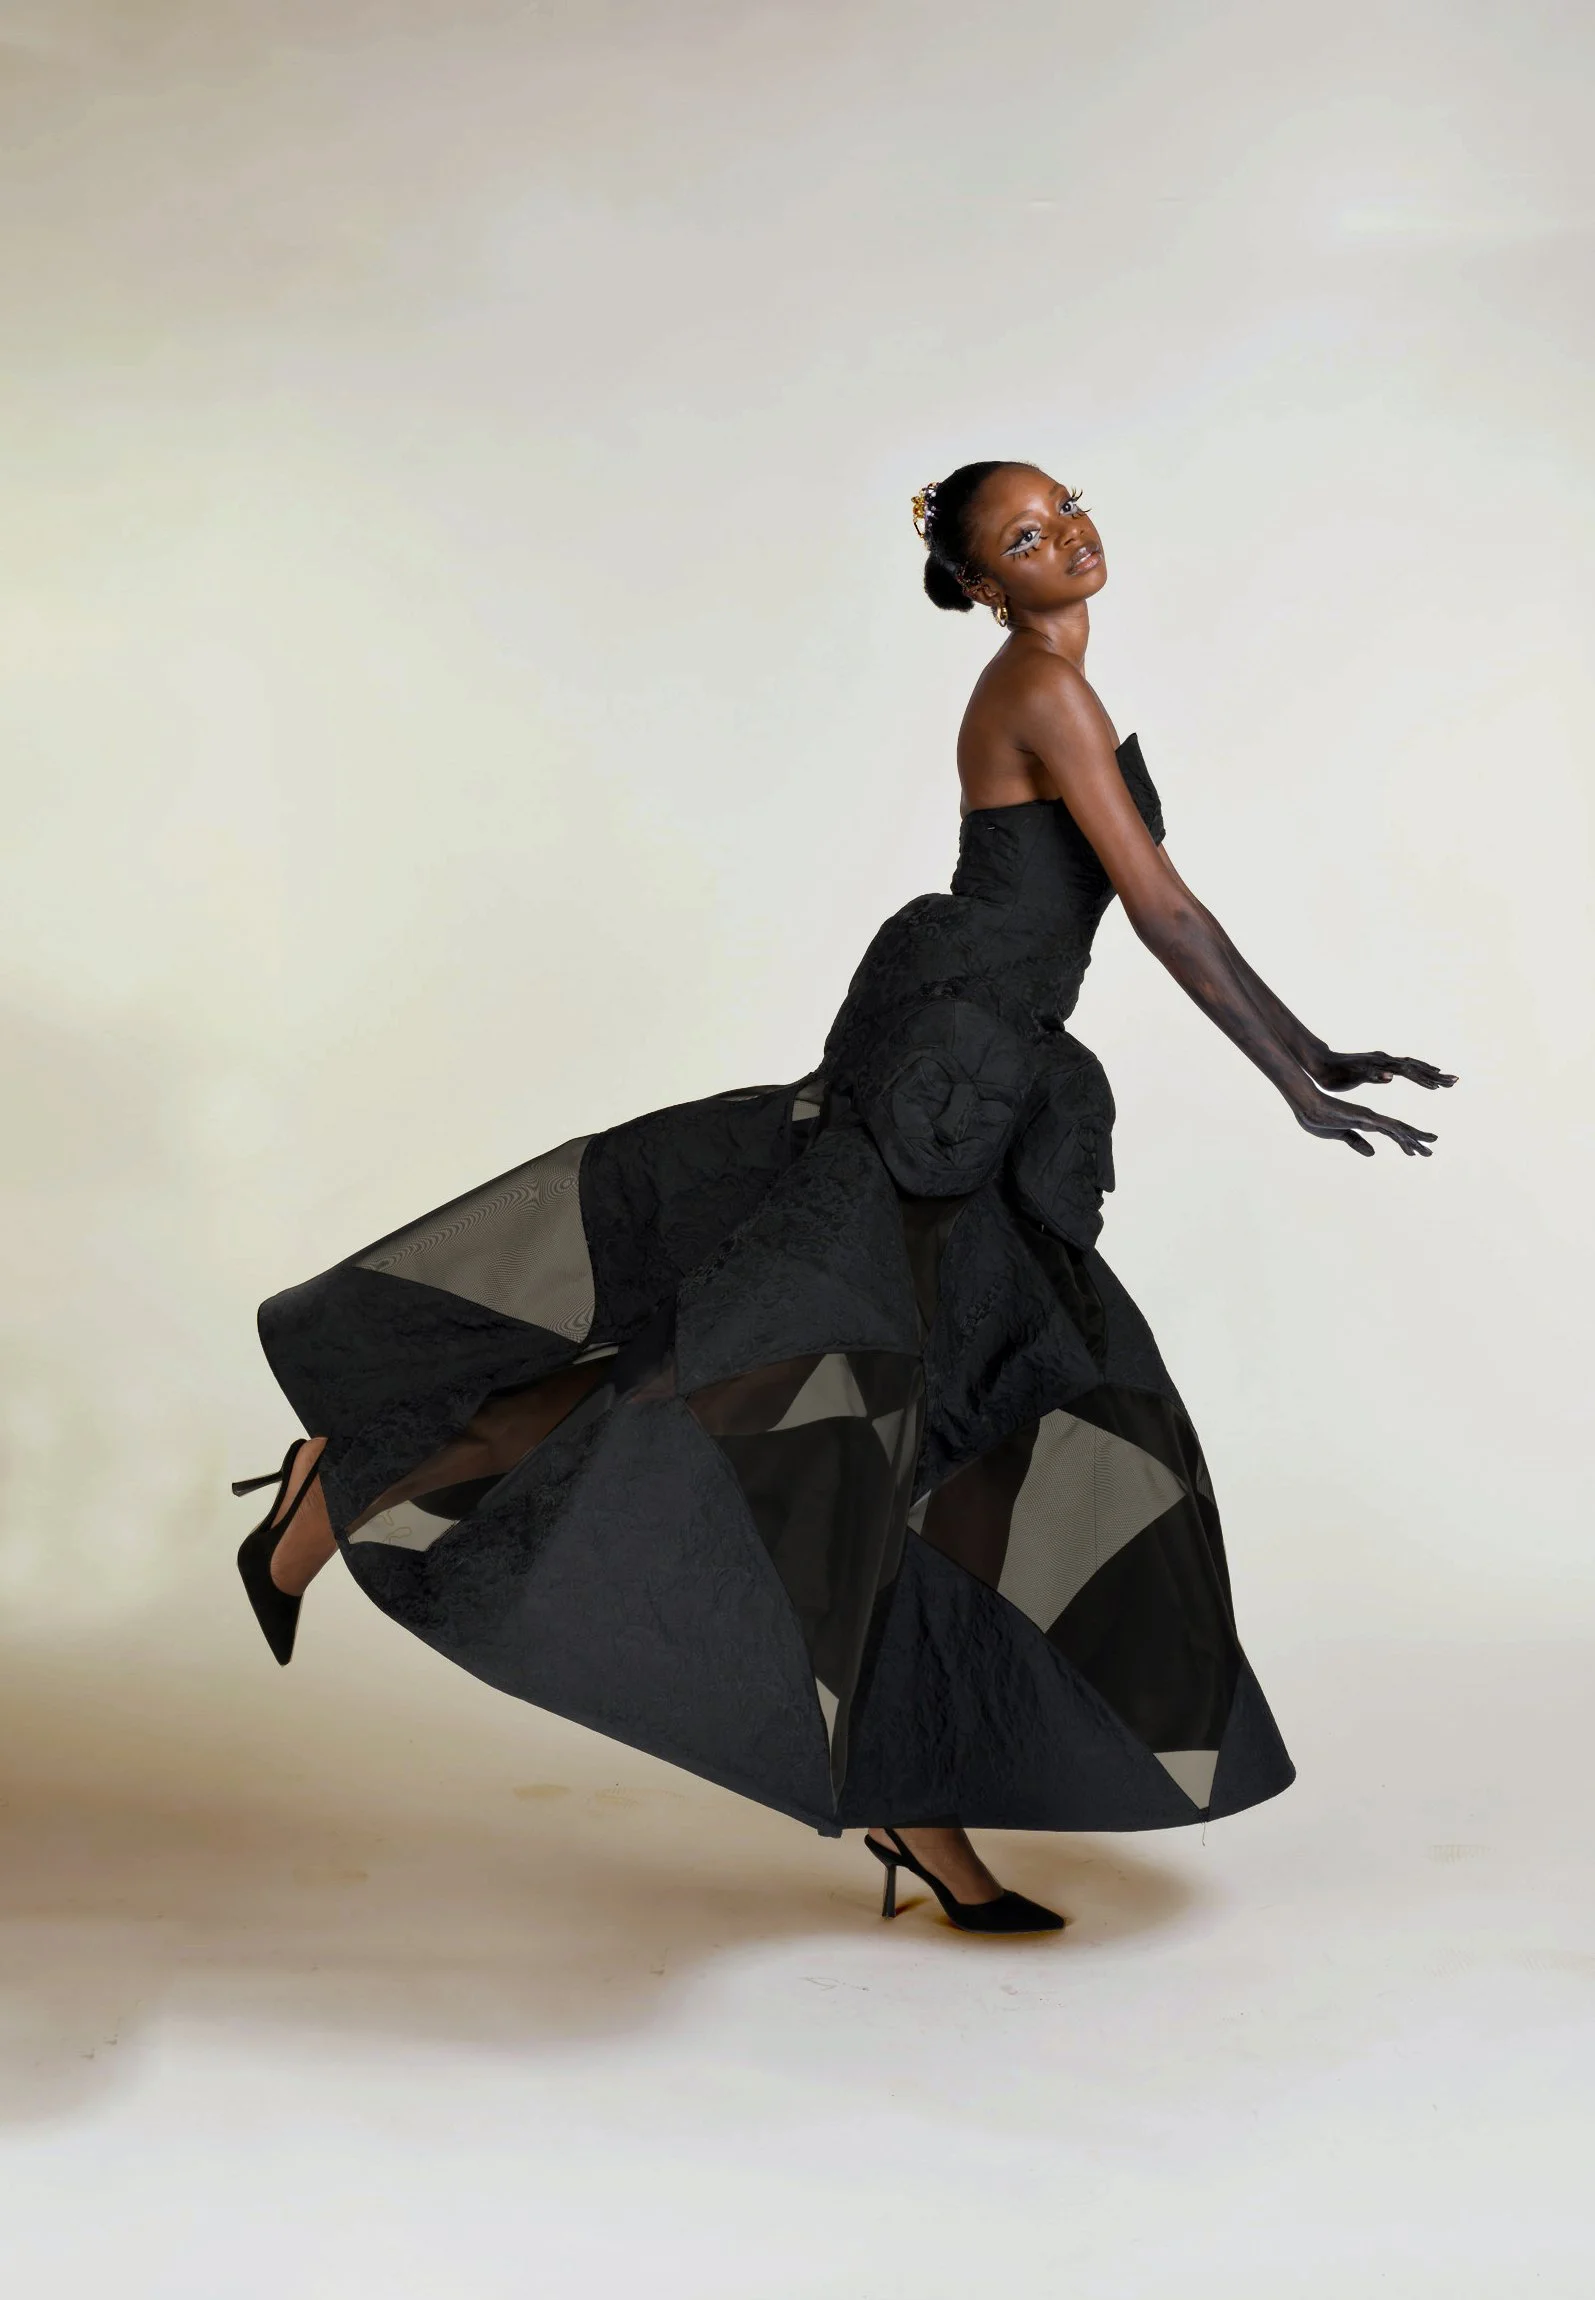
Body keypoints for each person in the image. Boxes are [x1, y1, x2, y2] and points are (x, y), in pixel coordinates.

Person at [234, 460, 1454, 1935]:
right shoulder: (1036, 685)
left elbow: (1145, 903)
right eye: (1023, 534)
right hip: (926, 1100)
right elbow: (1158, 905)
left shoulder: (1053, 676)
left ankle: (909, 1808)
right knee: (754, 1394)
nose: (1064, 533)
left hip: (984, 1099)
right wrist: (1293, 1076)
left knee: (913, 1427)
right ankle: (344, 1485)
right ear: (982, 586)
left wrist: (1310, 1053)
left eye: (1066, 504)